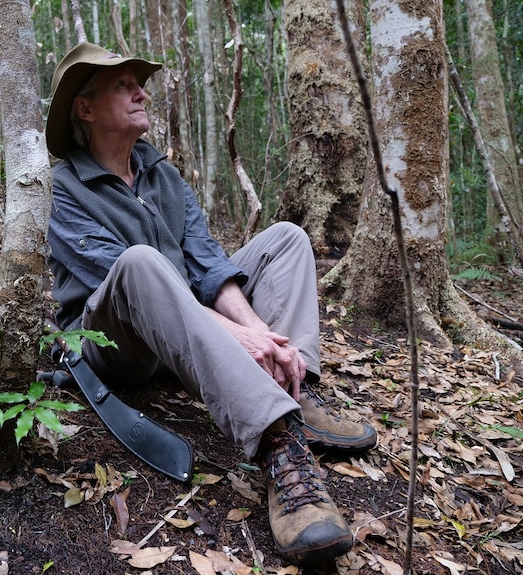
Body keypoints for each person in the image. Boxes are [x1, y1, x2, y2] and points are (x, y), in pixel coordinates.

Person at [44, 42, 377, 566]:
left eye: (140, 82)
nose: (141, 92)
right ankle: (276, 445)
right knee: (140, 261)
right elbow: (124, 281)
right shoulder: (62, 189)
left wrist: (257, 332)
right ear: (85, 109)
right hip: (113, 342)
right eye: (123, 85)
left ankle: (293, 386)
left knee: (286, 238)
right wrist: (235, 335)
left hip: (186, 333)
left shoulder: (163, 175)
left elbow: (206, 263)